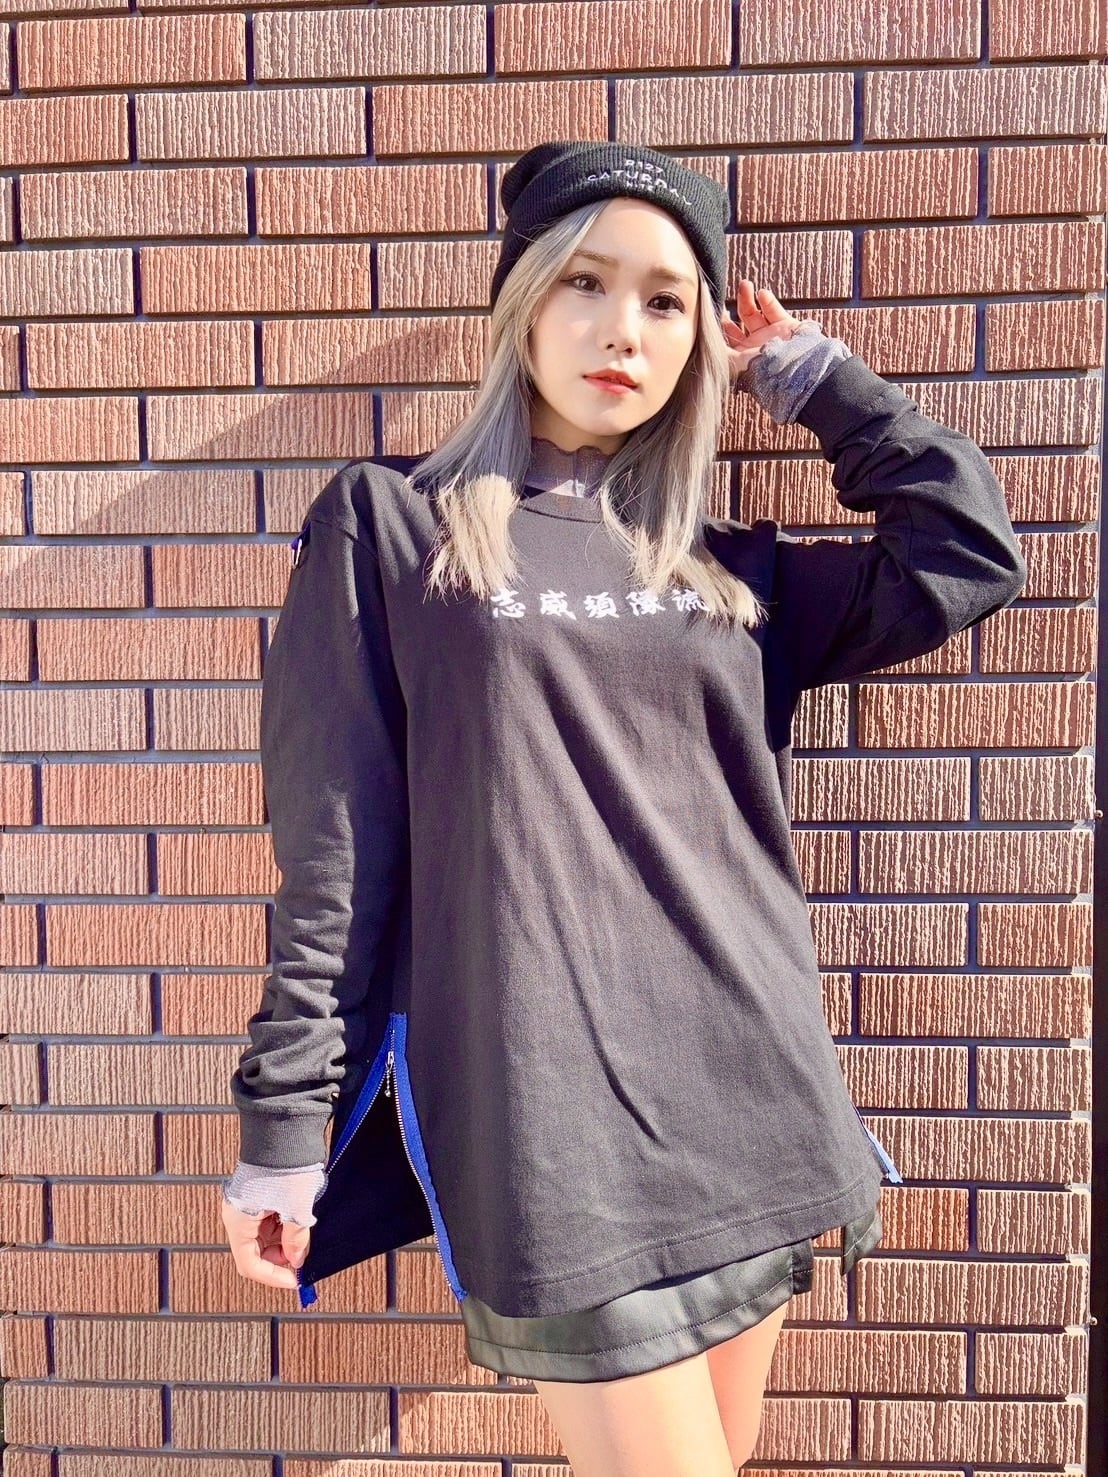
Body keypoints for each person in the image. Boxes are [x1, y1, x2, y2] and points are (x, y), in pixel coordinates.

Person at [220, 140, 1027, 1475]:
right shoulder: (394, 528)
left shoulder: (724, 570)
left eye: (666, 300)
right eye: (584, 283)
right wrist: (283, 1128)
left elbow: (966, 554)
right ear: (521, 301)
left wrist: (812, 379)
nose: (623, 330)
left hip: (750, 1096)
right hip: (556, 1131)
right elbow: (335, 857)